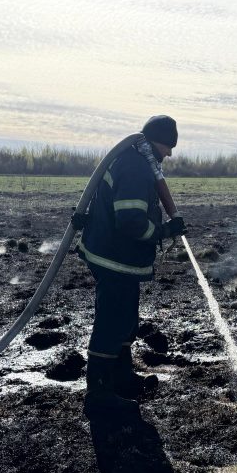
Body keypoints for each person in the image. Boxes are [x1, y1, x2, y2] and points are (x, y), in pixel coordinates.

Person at [77, 115, 187, 417]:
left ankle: (121, 377)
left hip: (118, 259)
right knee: (112, 324)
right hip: (113, 259)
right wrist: (163, 231)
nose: (170, 154)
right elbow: (130, 222)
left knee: (125, 321)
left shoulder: (136, 161)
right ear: (155, 142)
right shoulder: (136, 168)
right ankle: (99, 393)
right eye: (168, 147)